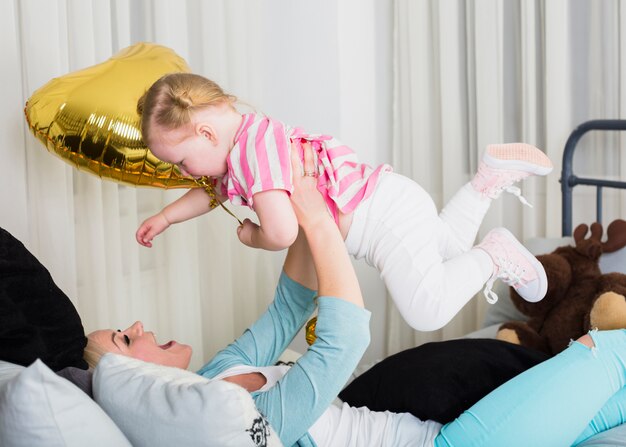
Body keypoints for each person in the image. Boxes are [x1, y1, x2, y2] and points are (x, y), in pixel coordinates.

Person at [87, 143, 626, 447]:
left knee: (611, 408)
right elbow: (338, 348)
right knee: (609, 357)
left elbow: (285, 313)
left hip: (438, 433)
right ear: (132, 382)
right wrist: (321, 227)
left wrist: (305, 203)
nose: (138, 325)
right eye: (124, 337)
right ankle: (491, 247)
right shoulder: (224, 422)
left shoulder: (216, 375)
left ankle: (483, 187)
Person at [134, 72, 553, 331]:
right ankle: (485, 183)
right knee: (453, 254)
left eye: (183, 162)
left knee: (427, 311)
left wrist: (253, 236)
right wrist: (168, 216)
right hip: (394, 199)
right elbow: (211, 194)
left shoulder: (251, 155)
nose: (188, 173)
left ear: (206, 134)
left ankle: (497, 254)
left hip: (382, 220)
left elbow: (282, 232)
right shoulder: (248, 143)